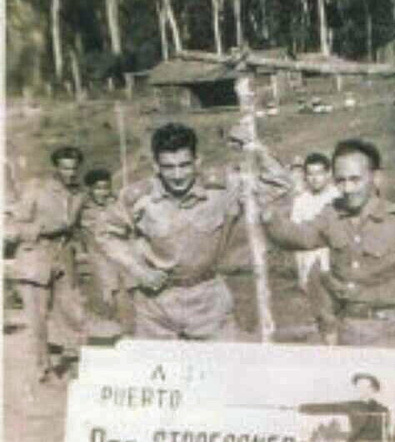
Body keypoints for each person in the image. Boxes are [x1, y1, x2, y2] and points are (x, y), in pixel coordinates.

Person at [97, 122, 290, 340]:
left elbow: (279, 184)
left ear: (198, 162)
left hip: (208, 301)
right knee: (159, 371)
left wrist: (255, 147)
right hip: (156, 304)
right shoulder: (139, 197)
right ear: (156, 166)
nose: (178, 175)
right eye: (169, 167)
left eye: (185, 165)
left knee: (219, 370)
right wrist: (139, 271)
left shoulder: (221, 188)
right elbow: (106, 233)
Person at [263, 138, 395, 350]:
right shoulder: (332, 215)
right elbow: (300, 237)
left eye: (355, 180)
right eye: (341, 181)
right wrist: (268, 216)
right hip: (348, 329)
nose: (347, 189)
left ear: (375, 178)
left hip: (391, 330)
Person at [11, 146, 87, 397]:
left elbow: (78, 226)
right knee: (38, 319)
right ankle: (41, 370)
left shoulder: (79, 194)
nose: (70, 173)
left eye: (74, 168)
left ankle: (75, 362)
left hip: (64, 257)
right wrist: (43, 228)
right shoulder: (36, 188)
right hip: (36, 258)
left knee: (72, 311)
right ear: (56, 167)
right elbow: (14, 224)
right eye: (65, 167)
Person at [80, 168, 133, 326]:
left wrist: (116, 228)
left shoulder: (118, 205)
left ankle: (127, 336)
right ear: (90, 189)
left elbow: (130, 228)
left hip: (123, 261)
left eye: (106, 188)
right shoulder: (83, 210)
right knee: (108, 303)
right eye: (98, 188)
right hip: (100, 262)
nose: (102, 192)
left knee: (127, 303)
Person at [291, 152, 340, 290]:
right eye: (310, 174)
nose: (314, 178)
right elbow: (297, 241)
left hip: (335, 260)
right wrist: (301, 275)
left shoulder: (337, 197)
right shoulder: (300, 201)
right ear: (305, 176)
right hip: (310, 259)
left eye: (319, 173)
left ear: (328, 174)